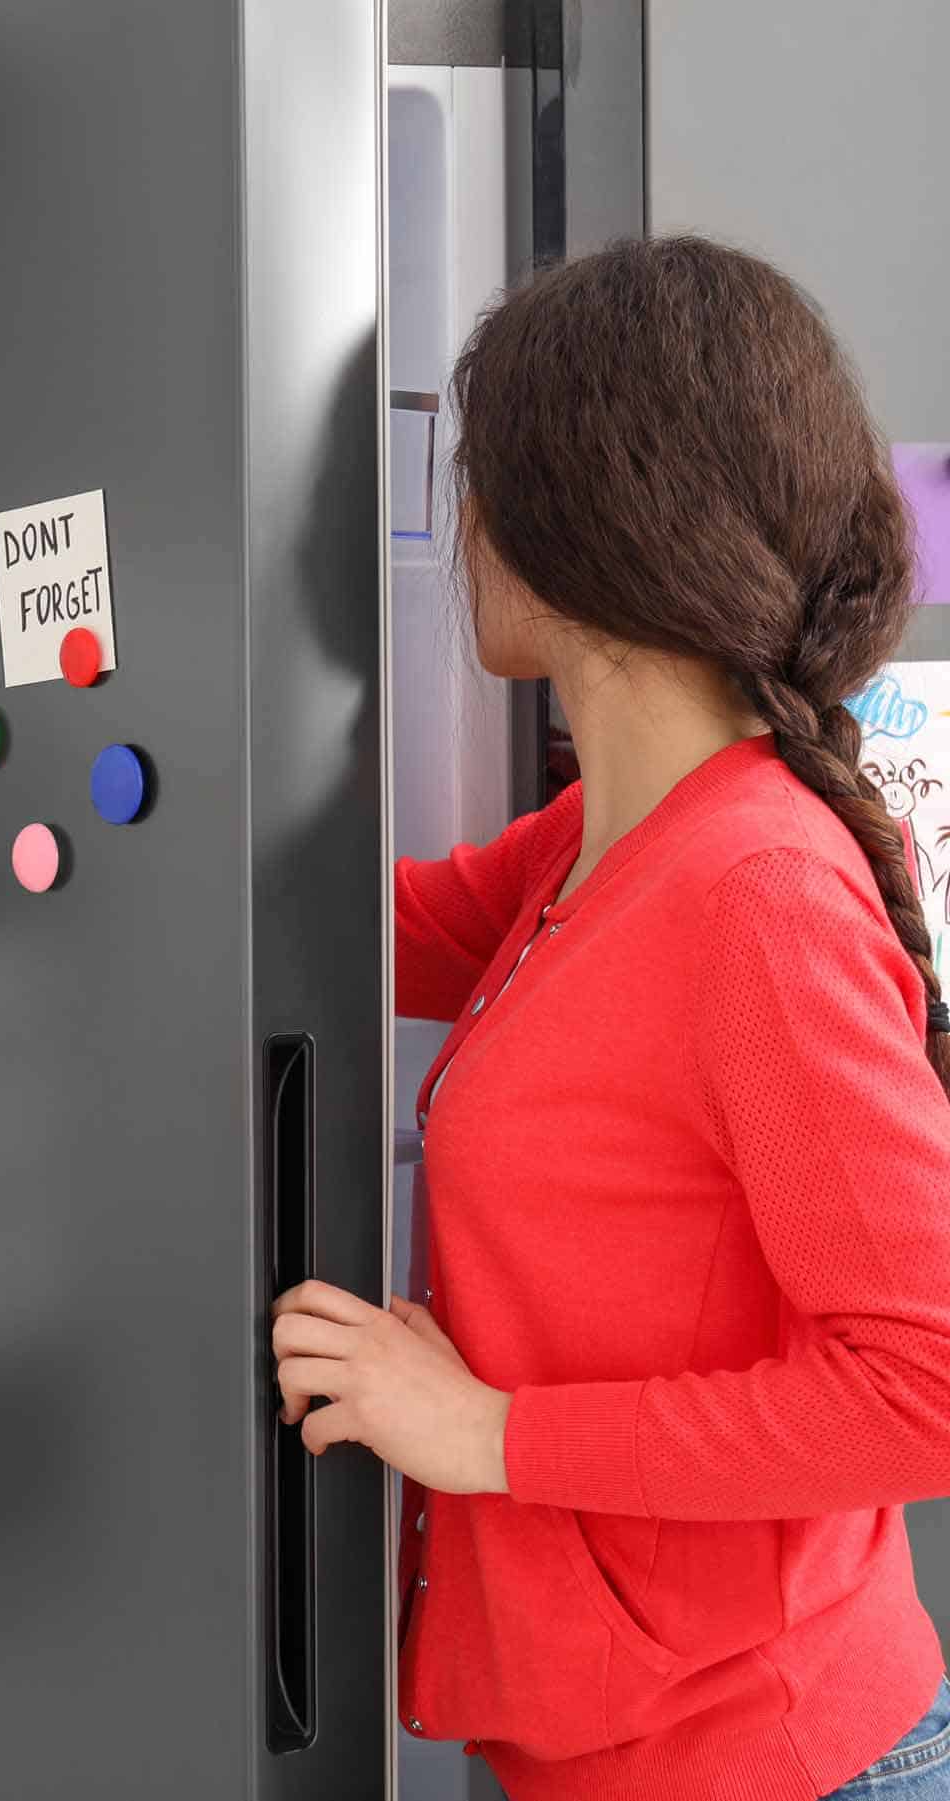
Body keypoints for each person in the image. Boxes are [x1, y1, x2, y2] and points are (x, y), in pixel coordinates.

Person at [271, 235, 950, 1799]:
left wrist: (490, 1433)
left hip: (769, 1765)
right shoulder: (619, 834)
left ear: (585, 533)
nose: (465, 533)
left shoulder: (753, 895)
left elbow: (921, 1380)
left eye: (484, 486)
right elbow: (372, 930)